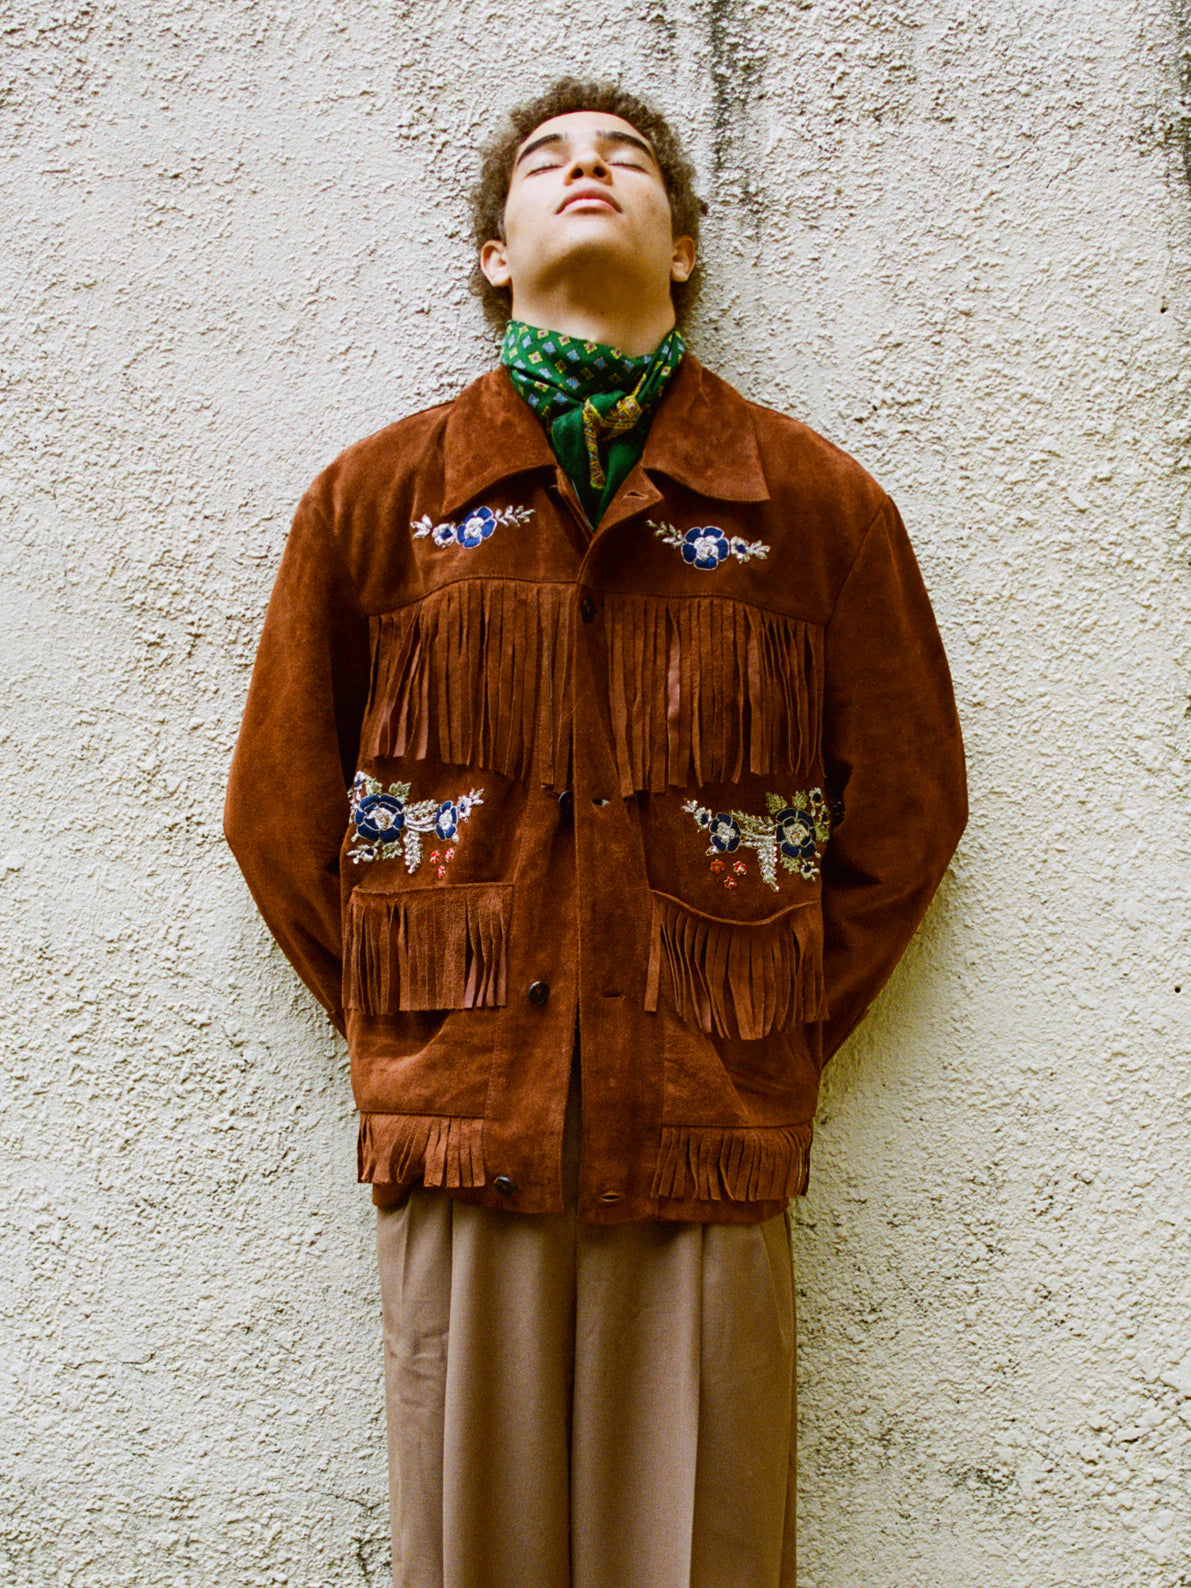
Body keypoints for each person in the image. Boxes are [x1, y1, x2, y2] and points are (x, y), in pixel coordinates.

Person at [224, 77, 967, 1588]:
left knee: (703, 1550)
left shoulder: (811, 509)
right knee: (474, 1556)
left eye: (627, 159)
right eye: (548, 161)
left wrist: (762, 1021)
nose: (589, 170)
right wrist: (419, 1028)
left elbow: (908, 810)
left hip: (703, 1131)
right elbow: (279, 814)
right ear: (493, 254)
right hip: (468, 1132)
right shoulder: (379, 504)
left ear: (681, 247)